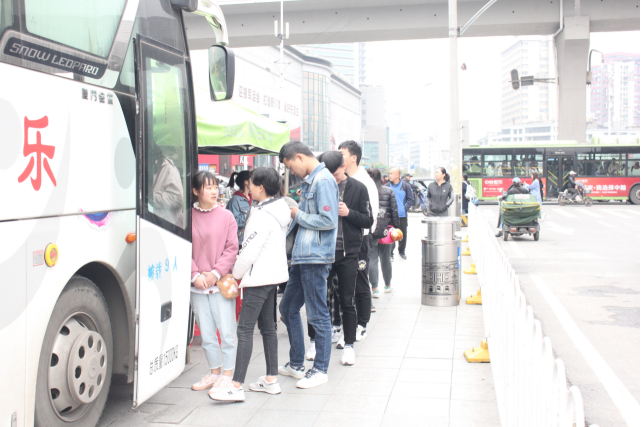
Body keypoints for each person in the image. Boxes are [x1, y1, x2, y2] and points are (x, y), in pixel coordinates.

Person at [210, 167, 291, 402]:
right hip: (272, 276)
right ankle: (271, 379)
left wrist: (235, 275)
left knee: (244, 329)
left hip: (258, 278)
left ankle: (236, 386)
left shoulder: (261, 214)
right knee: (268, 328)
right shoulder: (279, 209)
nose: (249, 187)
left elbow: (248, 252)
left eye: (252, 184)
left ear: (260, 188)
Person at [278, 141, 339, 389]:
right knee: (287, 308)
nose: (291, 171)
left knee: (317, 314)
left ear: (300, 157)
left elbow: (328, 220)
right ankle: (296, 364)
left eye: (290, 166)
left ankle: (320, 369)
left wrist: (297, 214)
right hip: (303, 256)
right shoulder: (312, 181)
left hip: (315, 257)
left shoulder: (323, 181)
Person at [306, 151, 373, 366]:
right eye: (329, 175)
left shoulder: (358, 188)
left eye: (335, 174)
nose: (332, 179)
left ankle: (349, 345)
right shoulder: (318, 185)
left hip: (347, 252)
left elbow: (368, 220)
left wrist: (349, 213)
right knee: (317, 299)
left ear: (343, 167)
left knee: (347, 299)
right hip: (321, 251)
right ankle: (314, 342)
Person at [189, 172, 239, 396]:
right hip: (197, 285)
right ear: (195, 191)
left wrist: (215, 273)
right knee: (207, 334)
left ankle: (227, 374)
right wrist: (195, 275)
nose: (213, 191)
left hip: (219, 285)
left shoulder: (227, 216)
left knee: (226, 332)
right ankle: (215, 373)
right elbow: (183, 247)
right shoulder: (187, 217)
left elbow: (232, 248)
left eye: (215, 187)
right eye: (207, 187)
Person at [338, 141, 378, 336]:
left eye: (342, 154)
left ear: (353, 158)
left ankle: (362, 323)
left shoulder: (365, 183)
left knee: (361, 281)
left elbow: (371, 218)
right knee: (345, 284)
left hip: (360, 240)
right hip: (342, 241)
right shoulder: (341, 179)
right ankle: (344, 324)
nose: (339, 157)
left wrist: (349, 215)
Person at [367, 168, 400, 297]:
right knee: (386, 259)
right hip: (386, 230)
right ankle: (387, 285)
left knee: (372, 259)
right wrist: (395, 227)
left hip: (372, 229)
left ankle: (374, 288)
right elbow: (394, 211)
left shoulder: (367, 191)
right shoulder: (388, 191)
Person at [150, 142, 184, 226]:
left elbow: (177, 198)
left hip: (166, 225)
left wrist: (150, 197)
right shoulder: (152, 168)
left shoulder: (169, 169)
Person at [387, 168, 414, 260]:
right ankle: (390, 253)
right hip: (390, 215)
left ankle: (402, 251)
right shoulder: (387, 186)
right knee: (390, 233)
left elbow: (411, 199)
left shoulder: (405, 186)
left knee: (402, 233)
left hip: (402, 215)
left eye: (391, 173)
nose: (389, 175)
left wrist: (404, 208)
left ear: (397, 175)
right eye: (389, 173)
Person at [226, 170, 252, 245]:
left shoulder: (254, 198)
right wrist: (252, 216)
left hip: (252, 239)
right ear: (246, 182)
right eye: (253, 180)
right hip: (240, 241)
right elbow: (234, 221)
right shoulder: (234, 201)